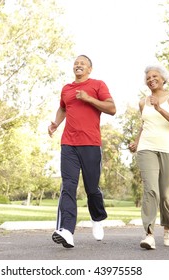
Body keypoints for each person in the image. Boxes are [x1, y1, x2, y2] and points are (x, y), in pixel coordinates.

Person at [48, 55, 116, 248]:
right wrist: (55, 123)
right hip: (68, 143)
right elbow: (63, 109)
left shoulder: (97, 85)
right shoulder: (66, 89)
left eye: (82, 63)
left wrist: (88, 98)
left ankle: (97, 218)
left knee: (91, 188)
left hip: (91, 144)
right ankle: (66, 231)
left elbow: (112, 108)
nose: (78, 65)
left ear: (89, 69)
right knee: (68, 185)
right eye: (76, 63)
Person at [129, 64, 169, 250]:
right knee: (151, 190)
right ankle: (149, 234)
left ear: (163, 78)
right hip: (147, 148)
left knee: (165, 194)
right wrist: (136, 143)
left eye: (155, 76)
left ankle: (168, 227)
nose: (151, 79)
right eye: (148, 77)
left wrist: (159, 108)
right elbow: (144, 125)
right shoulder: (143, 102)